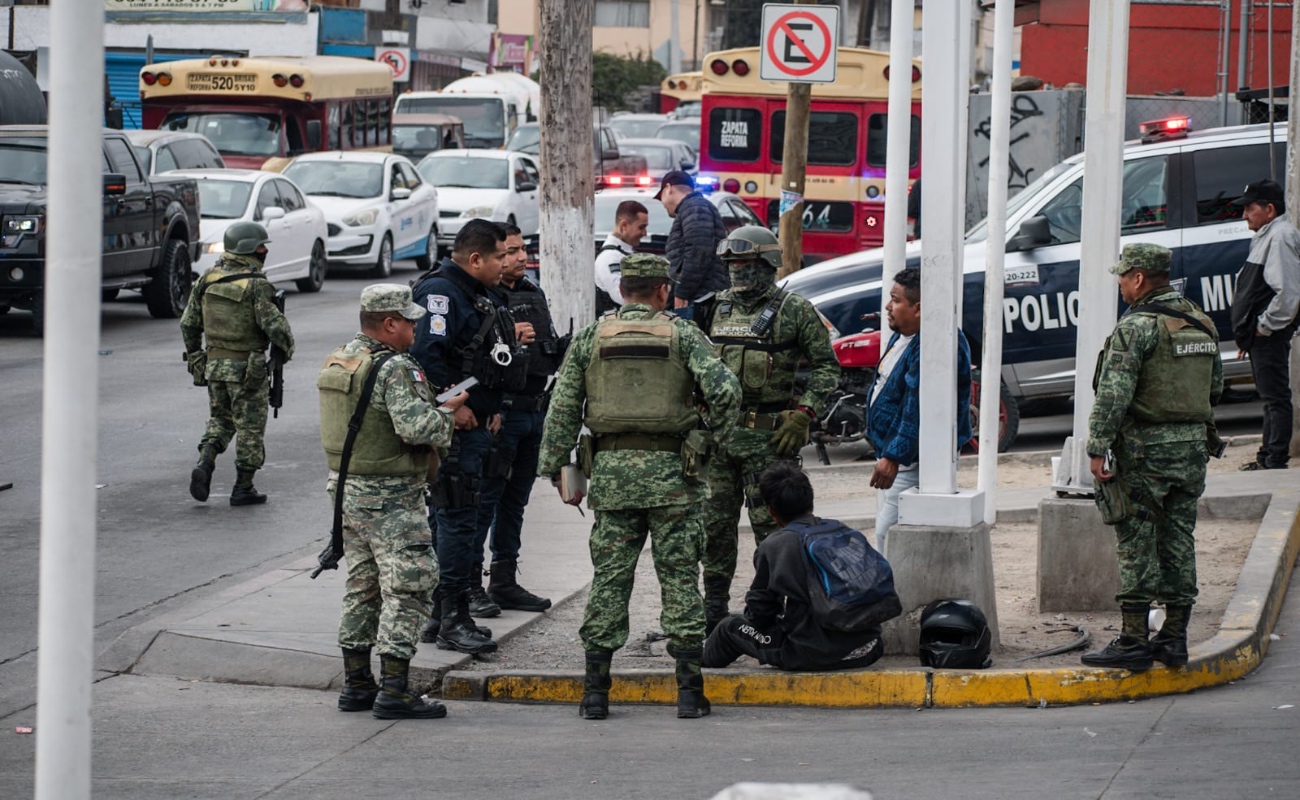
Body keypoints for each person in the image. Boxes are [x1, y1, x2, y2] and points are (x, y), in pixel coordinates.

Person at [537, 253, 741, 721]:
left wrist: (555, 468)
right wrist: (714, 440)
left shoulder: (591, 337)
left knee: (610, 581)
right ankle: (690, 694)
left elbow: (563, 406)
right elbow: (726, 391)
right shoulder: (684, 335)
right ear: (662, 291)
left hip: (611, 479)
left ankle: (595, 695)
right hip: (675, 478)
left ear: (622, 289)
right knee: (679, 578)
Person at [321, 284, 466, 720]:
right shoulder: (396, 366)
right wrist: (449, 412)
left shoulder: (342, 358)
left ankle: (357, 683)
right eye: (409, 321)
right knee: (410, 587)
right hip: (391, 498)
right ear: (389, 324)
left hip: (347, 491)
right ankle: (396, 690)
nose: (415, 329)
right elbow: (414, 427)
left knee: (362, 587)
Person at [1083, 243, 1223, 671]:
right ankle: (1175, 639)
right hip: (1192, 451)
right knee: (1180, 542)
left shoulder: (1136, 327)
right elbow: (1213, 391)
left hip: (1144, 454)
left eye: (1123, 277)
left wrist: (1096, 447)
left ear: (1139, 278)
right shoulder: (1202, 324)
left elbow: (1113, 395)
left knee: (1136, 544)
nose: (1121, 284)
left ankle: (1132, 641)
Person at [700, 225, 840, 632]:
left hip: (770, 442)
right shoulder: (714, 307)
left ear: (767, 265)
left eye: (745, 265)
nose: (736, 273)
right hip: (718, 440)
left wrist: (805, 413)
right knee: (715, 531)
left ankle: (772, 612)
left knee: (774, 533)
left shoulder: (794, 310)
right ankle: (714, 612)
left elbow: (827, 367)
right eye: (731, 265)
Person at [410, 219, 527, 655]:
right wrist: (454, 405)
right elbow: (426, 358)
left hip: (476, 423)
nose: (506, 263)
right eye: (499, 256)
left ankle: (441, 613)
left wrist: (489, 406)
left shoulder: (476, 293)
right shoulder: (441, 294)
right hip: (454, 428)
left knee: (456, 519)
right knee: (457, 520)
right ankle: (453, 615)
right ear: (475, 258)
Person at [703, 462, 885, 672]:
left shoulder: (774, 545)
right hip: (869, 648)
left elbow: (759, 613)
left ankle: (695, 659)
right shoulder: (843, 531)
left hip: (809, 655)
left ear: (772, 511)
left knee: (730, 627)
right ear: (810, 501)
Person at [469, 223, 560, 613]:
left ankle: (503, 579)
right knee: (482, 501)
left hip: (532, 410)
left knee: (514, 502)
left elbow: (546, 346)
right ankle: (469, 584)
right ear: (492, 256)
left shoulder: (530, 291)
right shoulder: (483, 299)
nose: (521, 258)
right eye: (511, 251)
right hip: (499, 416)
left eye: (523, 249)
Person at [181, 221, 294, 507]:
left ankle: (206, 459)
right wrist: (285, 350)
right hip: (248, 371)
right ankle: (243, 487)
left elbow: (188, 324)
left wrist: (196, 357)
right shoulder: (257, 285)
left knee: (221, 420)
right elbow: (275, 328)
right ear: (247, 248)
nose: (265, 250)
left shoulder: (207, 279)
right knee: (250, 428)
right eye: (260, 245)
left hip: (215, 366)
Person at [867, 267, 972, 555]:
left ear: (919, 308)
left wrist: (893, 456)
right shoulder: (905, 335)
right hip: (898, 457)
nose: (888, 306)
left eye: (896, 300)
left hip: (912, 462)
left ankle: (892, 595)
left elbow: (917, 405)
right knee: (887, 531)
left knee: (888, 533)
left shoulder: (933, 344)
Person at [1230, 179, 1300, 471]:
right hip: (1260, 335)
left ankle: (1274, 460)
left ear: (1269, 209)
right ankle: (1266, 457)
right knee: (1270, 398)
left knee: (1276, 398)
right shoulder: (1266, 235)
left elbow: (1288, 293)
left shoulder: (1280, 236)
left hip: (1268, 334)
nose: (1245, 214)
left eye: (1250, 208)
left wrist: (1264, 327)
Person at [656, 169, 728, 320]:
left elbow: (698, 251)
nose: (662, 204)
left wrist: (683, 291)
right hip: (698, 297)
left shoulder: (694, 207)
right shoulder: (693, 208)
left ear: (668, 188)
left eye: (660, 196)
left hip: (697, 299)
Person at [594, 199, 649, 314]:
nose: (645, 233)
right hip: (616, 328)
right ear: (624, 225)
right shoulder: (609, 258)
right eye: (641, 227)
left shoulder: (626, 253)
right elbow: (622, 296)